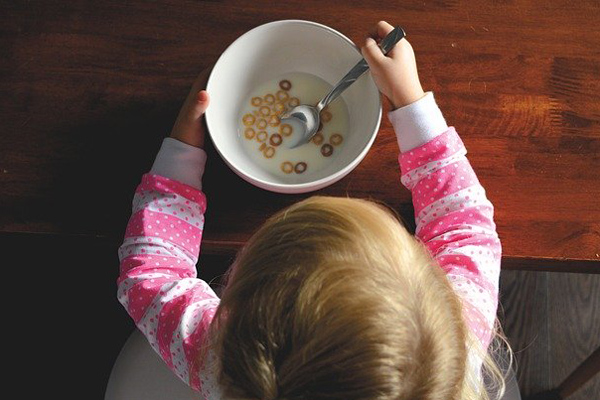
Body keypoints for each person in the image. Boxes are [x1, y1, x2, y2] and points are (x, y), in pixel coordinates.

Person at [117, 20, 520, 400]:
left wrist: (181, 153)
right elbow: (464, 224)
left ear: (238, 305)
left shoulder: (219, 359)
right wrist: (411, 102)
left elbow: (151, 275)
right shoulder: (454, 341)